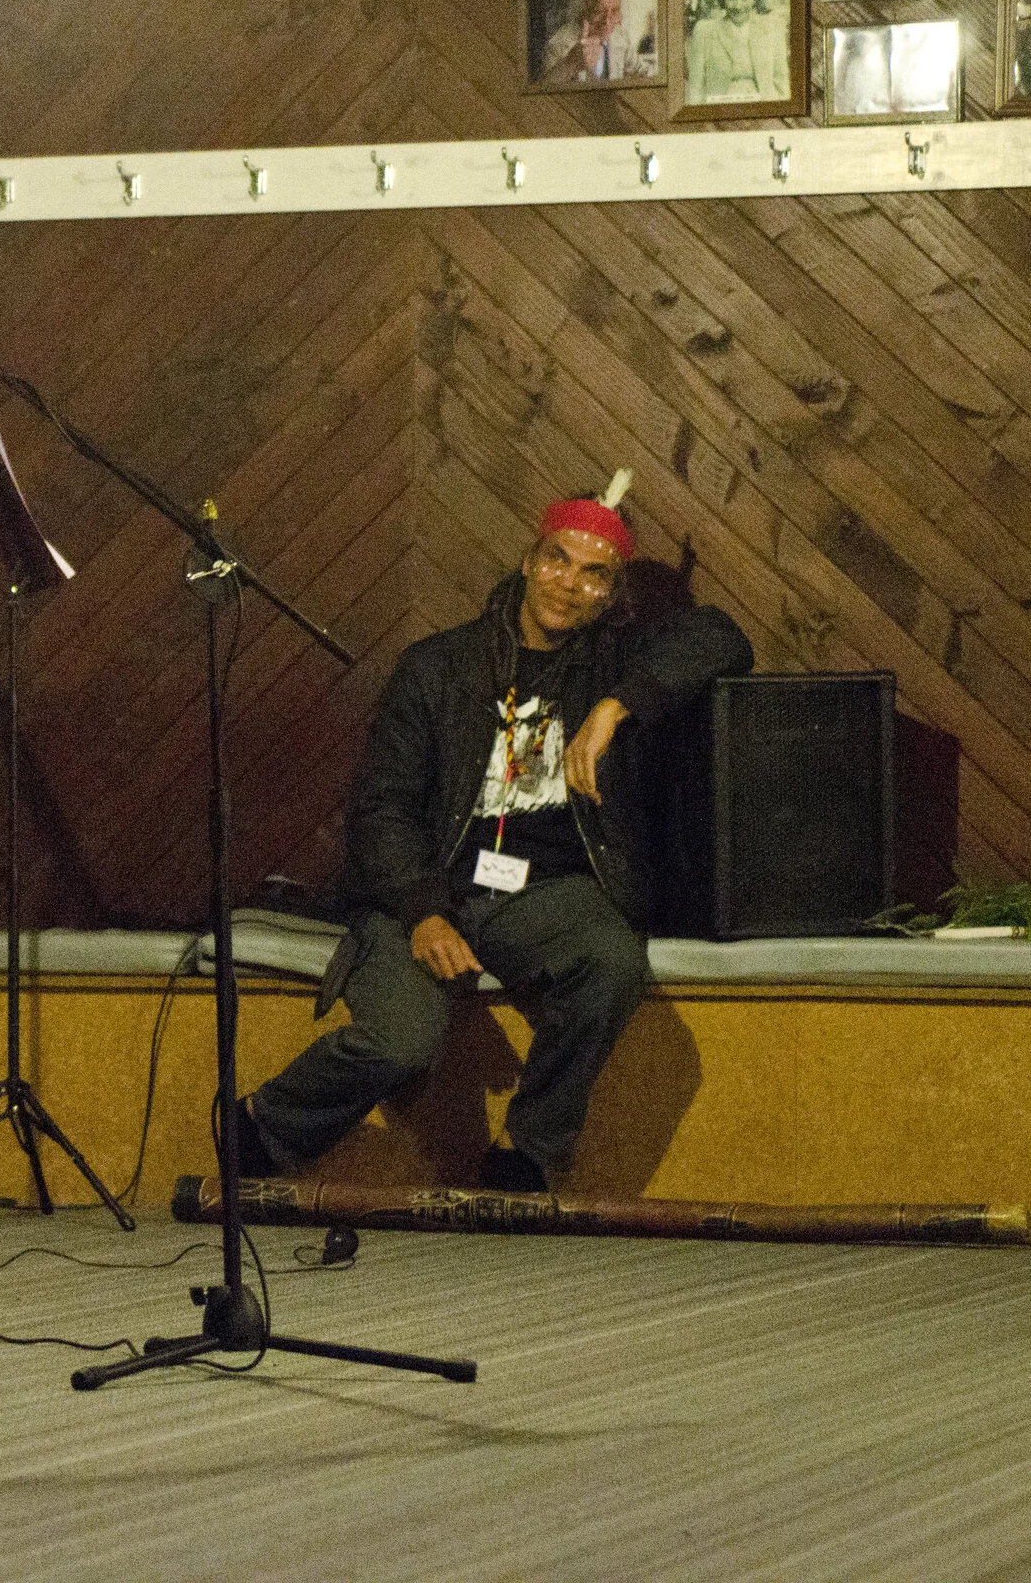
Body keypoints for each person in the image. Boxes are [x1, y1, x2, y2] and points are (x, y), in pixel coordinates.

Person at [233, 476, 753, 1192]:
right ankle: (264, 1122)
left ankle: (526, 1153)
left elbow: (722, 637)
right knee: (402, 1043)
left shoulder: (612, 662)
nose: (569, 585)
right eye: (558, 560)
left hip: (541, 893)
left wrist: (614, 708)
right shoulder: (440, 667)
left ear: (612, 592)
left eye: (593, 574)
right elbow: (381, 808)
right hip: (429, 883)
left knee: (610, 961)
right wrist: (422, 911)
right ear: (528, 561)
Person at [685, 0, 792, 104]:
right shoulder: (705, 30)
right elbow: (695, 86)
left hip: (765, 108)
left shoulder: (772, 28)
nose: (738, 6)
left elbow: (781, 80)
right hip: (719, 111)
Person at [539, 0, 649, 84]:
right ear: (584, 11)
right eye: (599, 11)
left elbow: (643, 73)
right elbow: (542, 95)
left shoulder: (619, 34)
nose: (607, 21)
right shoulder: (559, 43)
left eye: (615, 11)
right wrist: (571, 63)